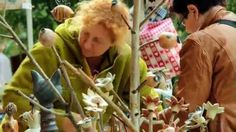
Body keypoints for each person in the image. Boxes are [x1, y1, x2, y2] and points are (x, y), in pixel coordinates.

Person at [2, 0, 160, 131]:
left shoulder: (127, 61)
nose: (87, 44)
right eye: (85, 33)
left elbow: (150, 105)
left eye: (97, 40)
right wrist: (62, 121)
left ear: (113, 43)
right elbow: (13, 97)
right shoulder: (51, 48)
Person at [171, 0, 236, 131]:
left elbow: (187, 108)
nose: (184, 26)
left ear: (192, 10)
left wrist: (149, 122)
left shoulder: (200, 42)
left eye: (182, 20)